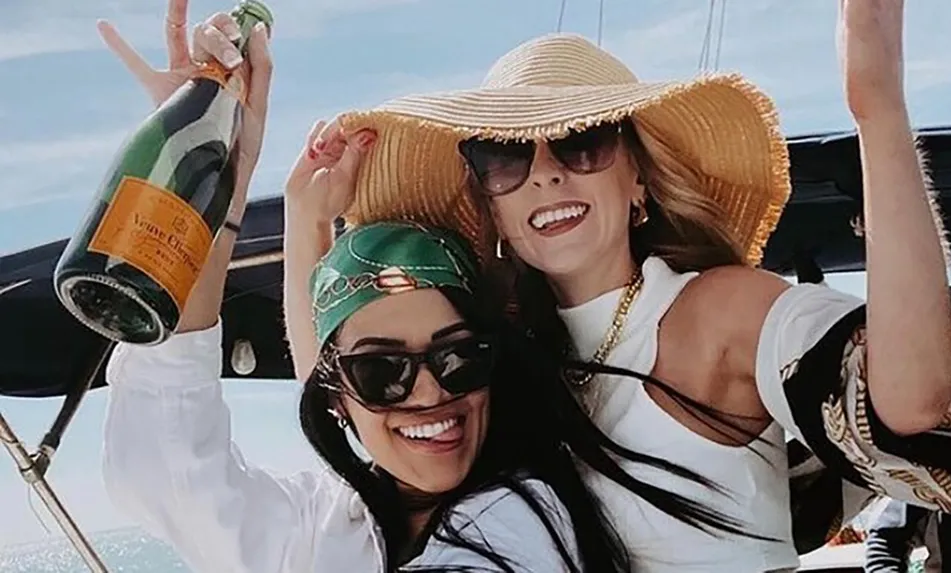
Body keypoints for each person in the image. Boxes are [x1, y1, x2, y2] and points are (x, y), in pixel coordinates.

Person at [295, 0, 951, 569]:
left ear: (638, 177)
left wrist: (876, 106)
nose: (547, 172)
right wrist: (307, 226)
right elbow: (352, 402)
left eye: (583, 141)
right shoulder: (493, 357)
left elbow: (911, 394)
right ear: (491, 208)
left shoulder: (715, 313)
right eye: (506, 155)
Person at [98, 4, 782, 571]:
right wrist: (204, 168)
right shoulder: (319, 521)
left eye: (459, 357)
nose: (429, 391)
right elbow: (167, 453)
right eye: (382, 372)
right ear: (338, 393)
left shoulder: (523, 517)